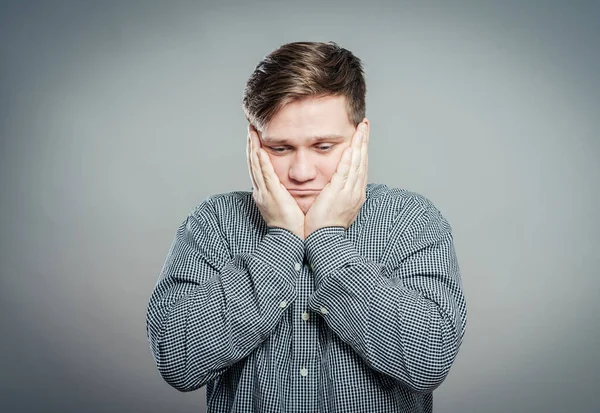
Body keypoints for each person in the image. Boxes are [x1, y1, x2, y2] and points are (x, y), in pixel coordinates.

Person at [146, 41, 467, 413]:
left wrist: (327, 239)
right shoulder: (213, 223)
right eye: (280, 148)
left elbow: (429, 359)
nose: (301, 173)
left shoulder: (411, 219)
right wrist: (281, 241)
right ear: (254, 142)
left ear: (361, 137)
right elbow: (177, 360)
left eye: (324, 146)